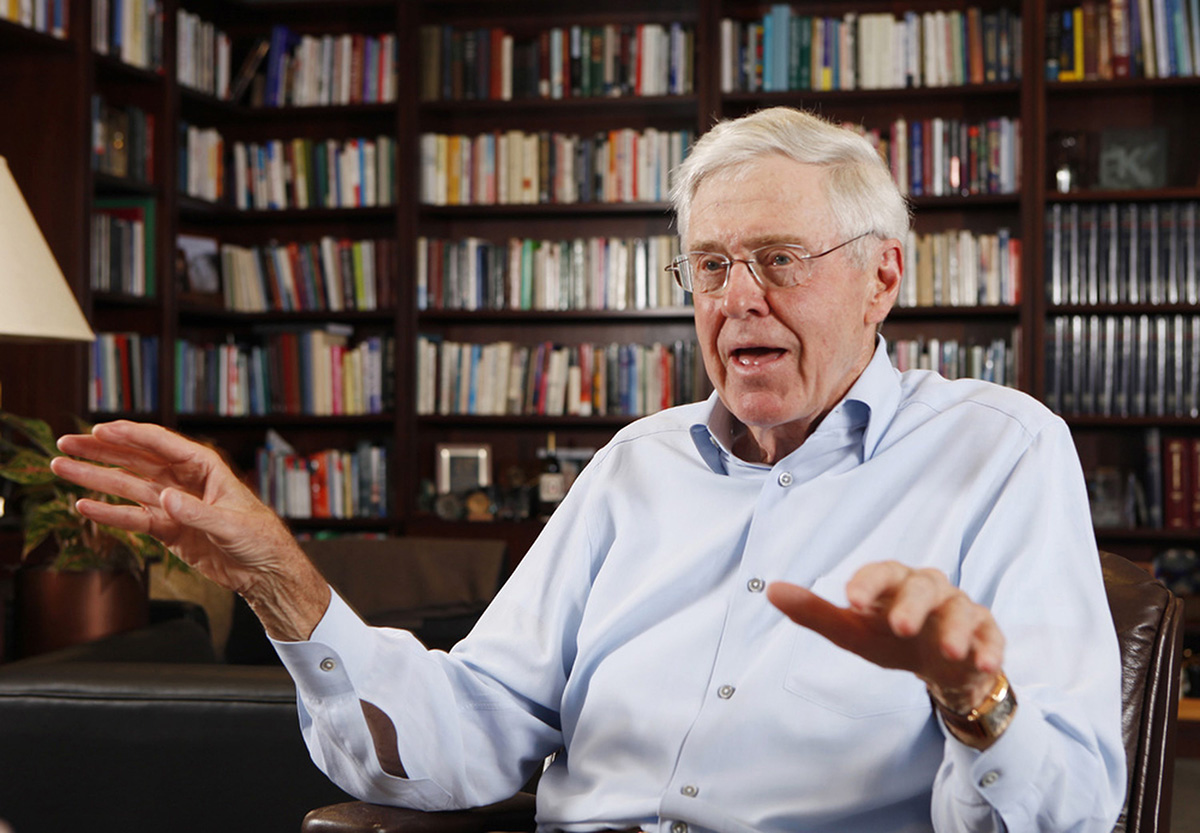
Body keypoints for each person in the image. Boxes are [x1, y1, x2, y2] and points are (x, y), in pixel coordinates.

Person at [51, 107, 1126, 832]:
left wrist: (970, 694)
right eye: (709, 265)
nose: (737, 297)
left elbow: (1075, 802)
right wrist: (275, 573)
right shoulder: (633, 467)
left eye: (779, 261)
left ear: (882, 274)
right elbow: (463, 731)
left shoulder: (1000, 448)